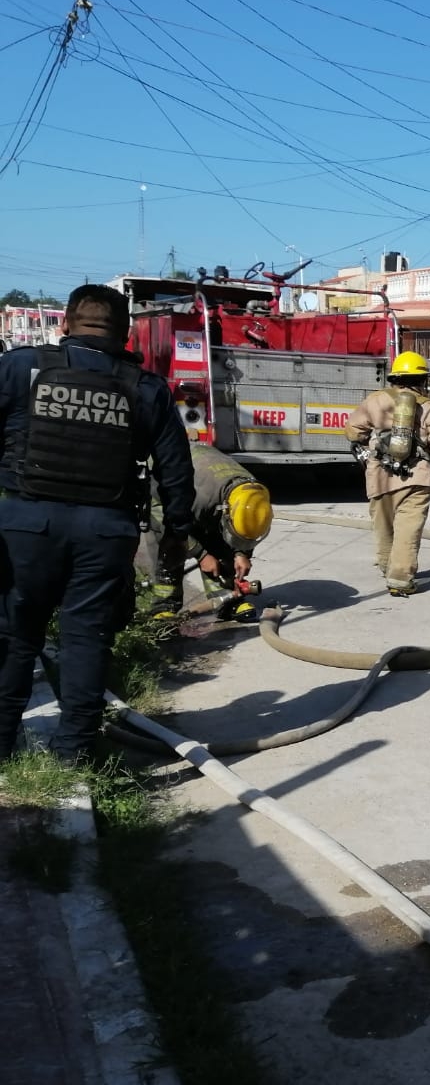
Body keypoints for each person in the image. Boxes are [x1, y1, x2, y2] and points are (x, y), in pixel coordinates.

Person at [0, 283, 213, 762]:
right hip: (104, 532)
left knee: (15, 634)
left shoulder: (19, 367)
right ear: (126, 336)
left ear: (65, 325)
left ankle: (1, 745)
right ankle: (73, 752)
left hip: (25, 525)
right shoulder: (145, 387)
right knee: (85, 639)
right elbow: (176, 470)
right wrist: (178, 532)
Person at [346, 351, 430, 597]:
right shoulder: (427, 407)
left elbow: (353, 432)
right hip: (418, 478)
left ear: (395, 377)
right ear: (422, 380)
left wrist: (369, 443)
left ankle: (387, 567)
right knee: (408, 527)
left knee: (383, 525)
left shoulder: (375, 400)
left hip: (379, 476)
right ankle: (400, 579)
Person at [144, 441, 273, 620]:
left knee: (222, 540)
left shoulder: (251, 495)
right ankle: (164, 606)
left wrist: (241, 553)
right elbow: (173, 524)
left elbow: (243, 528)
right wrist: (201, 554)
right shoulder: (198, 497)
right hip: (160, 494)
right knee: (170, 549)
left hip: (206, 486)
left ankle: (225, 600)